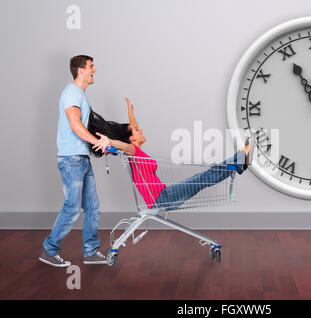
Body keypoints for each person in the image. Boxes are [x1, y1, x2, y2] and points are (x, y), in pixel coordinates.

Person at [90, 98, 254, 211]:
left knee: (205, 176)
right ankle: (241, 158)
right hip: (162, 198)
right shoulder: (133, 152)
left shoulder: (136, 150)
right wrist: (110, 142)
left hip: (163, 195)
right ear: (133, 138)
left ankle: (240, 159)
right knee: (205, 176)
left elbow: (132, 128)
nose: (141, 129)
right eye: (137, 130)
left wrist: (130, 111)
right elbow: (125, 145)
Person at [39, 55, 110, 267]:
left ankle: (90, 251)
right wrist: (98, 142)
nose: (94, 70)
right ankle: (49, 251)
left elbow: (83, 129)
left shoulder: (79, 94)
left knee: (92, 207)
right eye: (91, 67)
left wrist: (98, 145)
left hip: (81, 158)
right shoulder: (72, 93)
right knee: (72, 207)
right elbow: (75, 125)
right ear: (80, 70)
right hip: (71, 160)